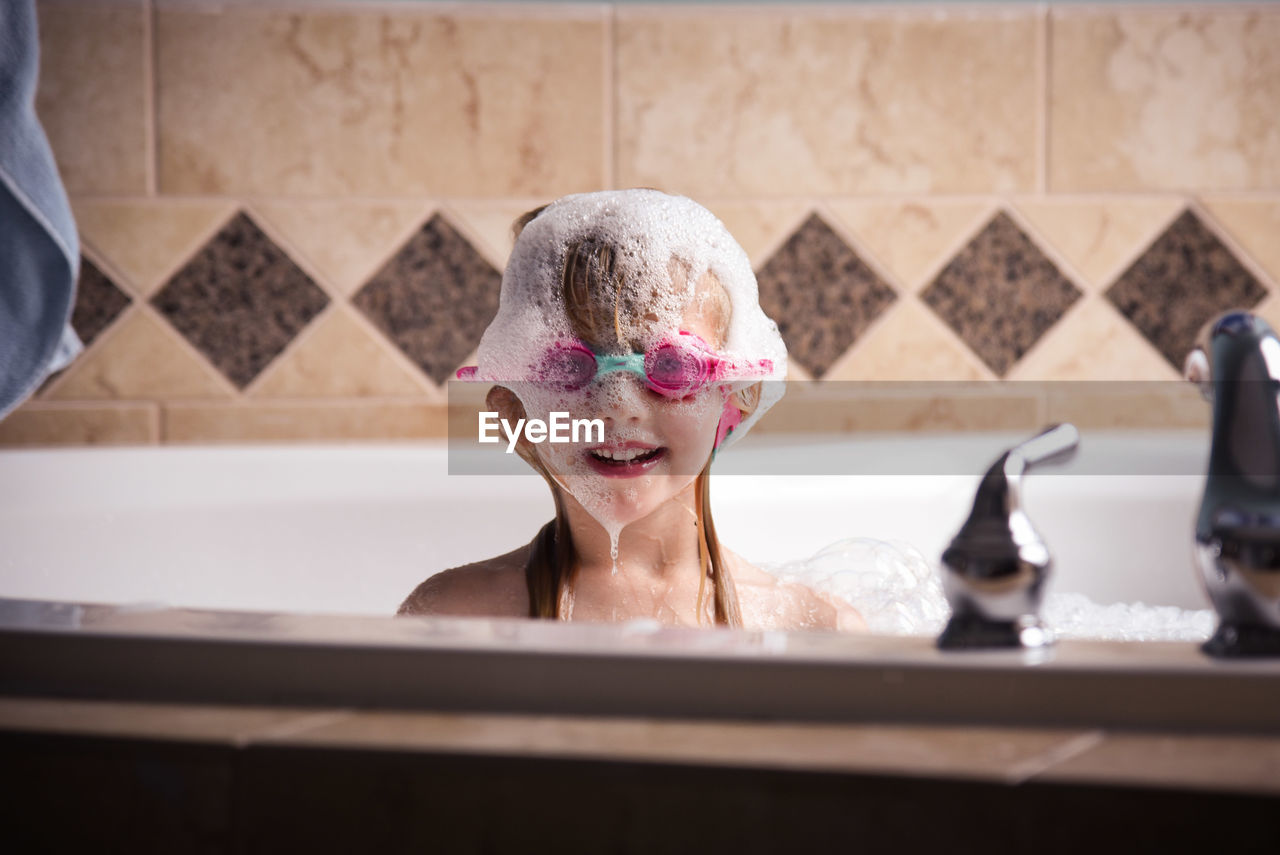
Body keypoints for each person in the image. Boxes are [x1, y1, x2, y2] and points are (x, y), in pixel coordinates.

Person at [399, 189, 866, 632]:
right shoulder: (453, 618)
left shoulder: (813, 625)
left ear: (735, 395)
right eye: (566, 369)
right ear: (517, 413)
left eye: (671, 365)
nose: (618, 407)